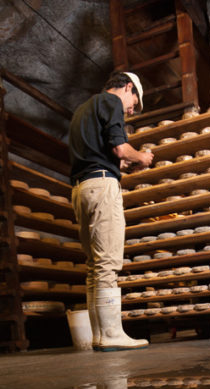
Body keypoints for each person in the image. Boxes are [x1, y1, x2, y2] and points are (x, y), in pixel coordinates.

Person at [69, 71, 154, 351]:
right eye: (134, 102)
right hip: (102, 188)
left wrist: (121, 164)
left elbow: (100, 152)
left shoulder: (83, 109)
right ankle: (110, 335)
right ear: (128, 87)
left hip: (81, 190)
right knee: (107, 263)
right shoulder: (111, 102)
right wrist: (140, 156)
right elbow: (120, 148)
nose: (131, 110)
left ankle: (99, 335)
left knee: (94, 267)